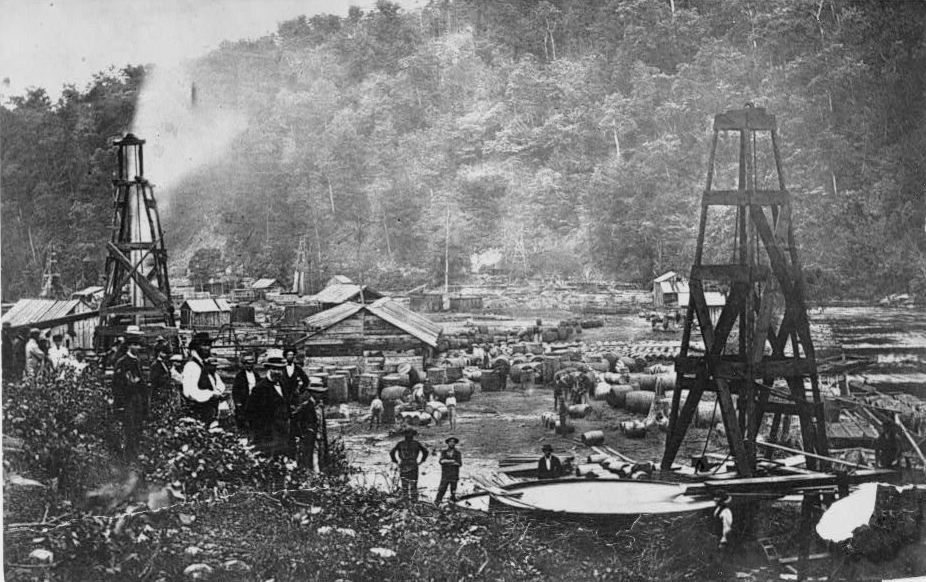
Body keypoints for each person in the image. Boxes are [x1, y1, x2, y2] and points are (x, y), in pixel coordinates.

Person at [247, 350, 291, 455]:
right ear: (268, 369)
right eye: (274, 368)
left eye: (280, 369)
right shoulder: (259, 388)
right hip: (268, 436)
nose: (277, 372)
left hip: (283, 433)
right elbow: (251, 414)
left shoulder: (284, 384)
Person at [113, 331, 148, 462]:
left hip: (137, 400)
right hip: (128, 400)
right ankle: (129, 459)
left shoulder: (136, 361)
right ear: (130, 346)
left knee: (137, 427)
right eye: (136, 345)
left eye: (139, 346)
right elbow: (118, 385)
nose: (139, 348)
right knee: (130, 428)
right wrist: (120, 404)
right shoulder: (123, 362)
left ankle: (135, 455)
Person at [181, 331, 226, 425]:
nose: (208, 348)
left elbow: (218, 383)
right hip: (198, 414)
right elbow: (190, 392)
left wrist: (218, 392)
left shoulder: (205, 365)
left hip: (210, 412)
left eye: (209, 345)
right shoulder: (191, 366)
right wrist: (211, 394)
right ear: (196, 347)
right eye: (204, 345)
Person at [390, 427, 429, 503]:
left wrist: (396, 461)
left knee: (406, 483)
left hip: (405, 464)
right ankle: (413, 500)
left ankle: (407, 499)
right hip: (412, 464)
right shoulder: (416, 443)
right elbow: (426, 452)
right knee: (412, 483)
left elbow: (392, 452)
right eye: (408, 434)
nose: (408, 435)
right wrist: (422, 461)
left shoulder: (401, 443)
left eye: (408, 434)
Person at [290, 376, 320, 470]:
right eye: (317, 393)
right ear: (312, 393)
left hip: (316, 438)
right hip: (307, 438)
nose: (320, 395)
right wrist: (300, 434)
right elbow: (294, 419)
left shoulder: (319, 406)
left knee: (317, 457)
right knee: (306, 458)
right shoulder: (306, 406)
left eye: (321, 393)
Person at [232, 353, 258, 432]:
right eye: (247, 364)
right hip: (244, 400)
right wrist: (237, 402)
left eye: (251, 364)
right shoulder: (240, 376)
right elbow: (235, 390)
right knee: (242, 419)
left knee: (254, 419)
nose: (249, 366)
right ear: (244, 364)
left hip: (254, 400)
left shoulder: (256, 375)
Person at [435, 436, 462, 505]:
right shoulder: (444, 452)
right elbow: (441, 461)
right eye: (450, 442)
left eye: (453, 442)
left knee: (453, 490)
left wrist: (447, 461)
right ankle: (436, 503)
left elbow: (459, 463)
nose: (452, 443)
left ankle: (452, 504)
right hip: (445, 474)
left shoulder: (457, 452)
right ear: (448, 443)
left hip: (454, 474)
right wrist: (452, 461)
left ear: (455, 443)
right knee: (442, 489)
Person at [148, 344, 174, 414]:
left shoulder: (165, 363)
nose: (165, 355)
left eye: (166, 353)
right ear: (159, 353)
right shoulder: (155, 364)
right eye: (163, 352)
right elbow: (154, 378)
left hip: (165, 389)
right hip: (158, 389)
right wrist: (165, 378)